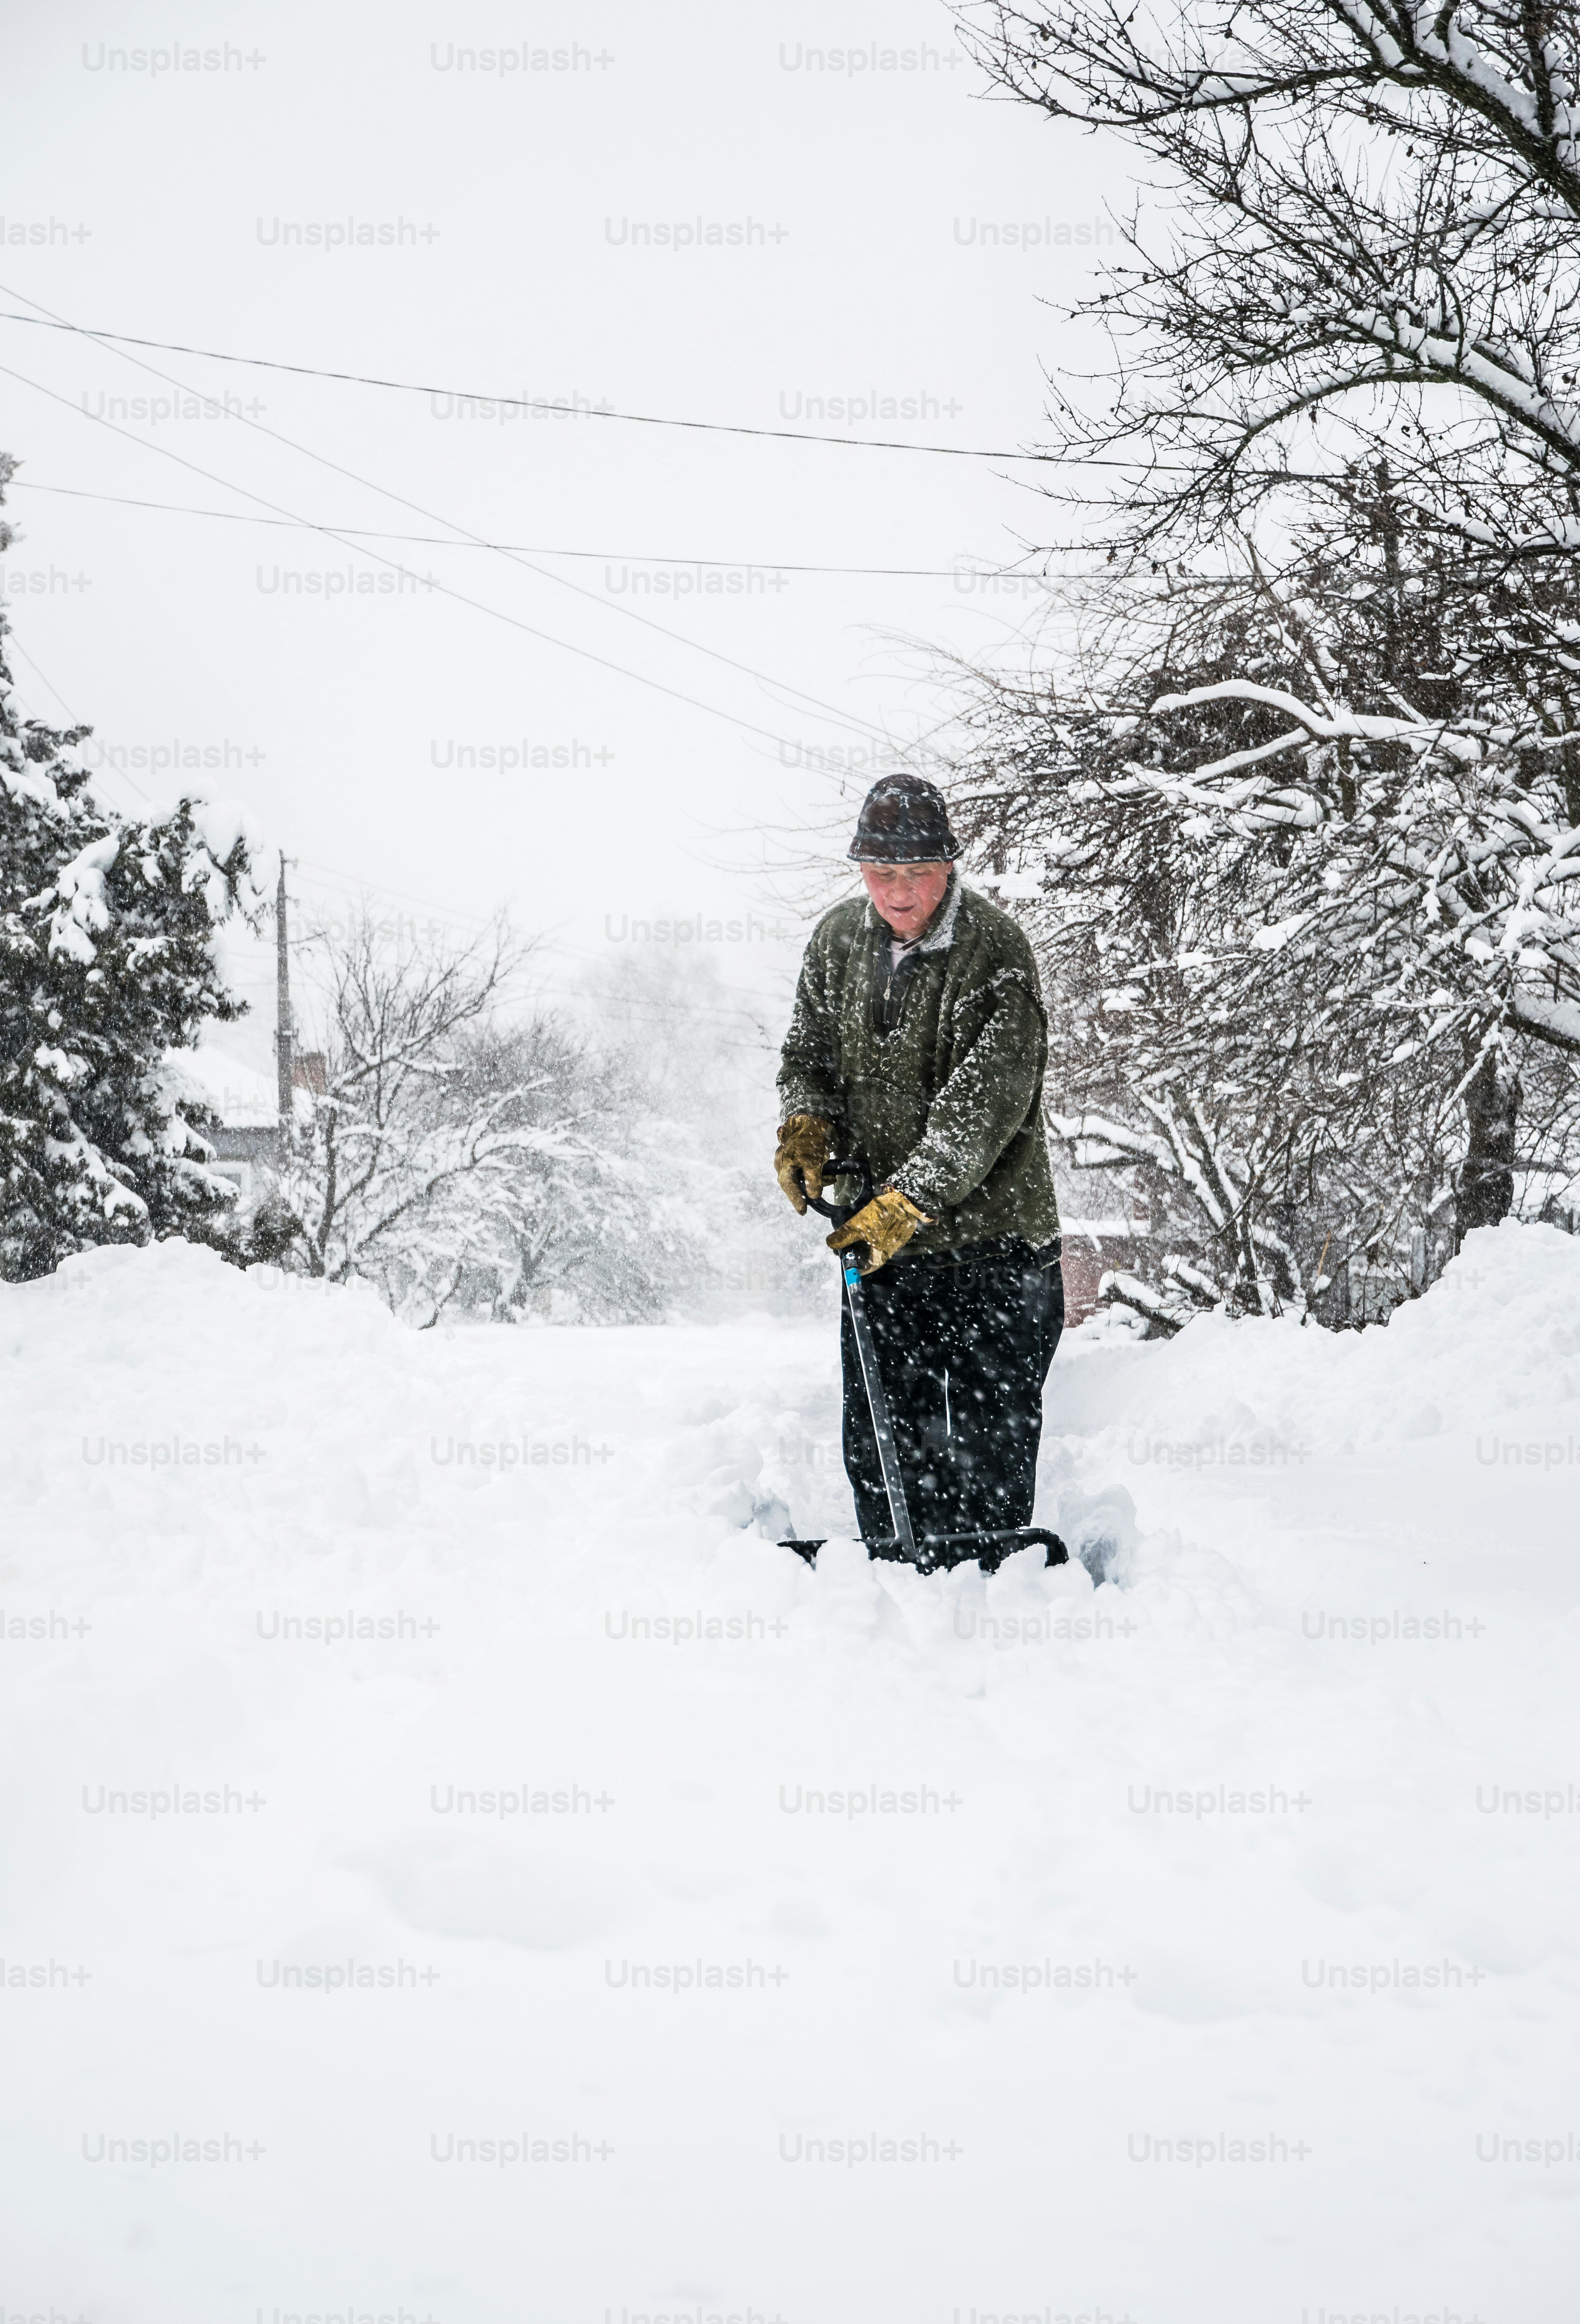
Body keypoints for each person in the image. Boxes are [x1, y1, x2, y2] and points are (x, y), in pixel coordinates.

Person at [774, 773, 1064, 1552]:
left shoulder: (994, 950)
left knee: (984, 1439)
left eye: (916, 874)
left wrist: (908, 1200)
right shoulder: (837, 941)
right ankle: (893, 1586)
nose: (898, 894)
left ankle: (993, 1583)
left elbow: (986, 1109)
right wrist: (805, 1125)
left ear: (949, 866)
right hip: (880, 1246)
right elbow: (808, 1053)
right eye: (880, 873)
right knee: (881, 1437)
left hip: (996, 1250)